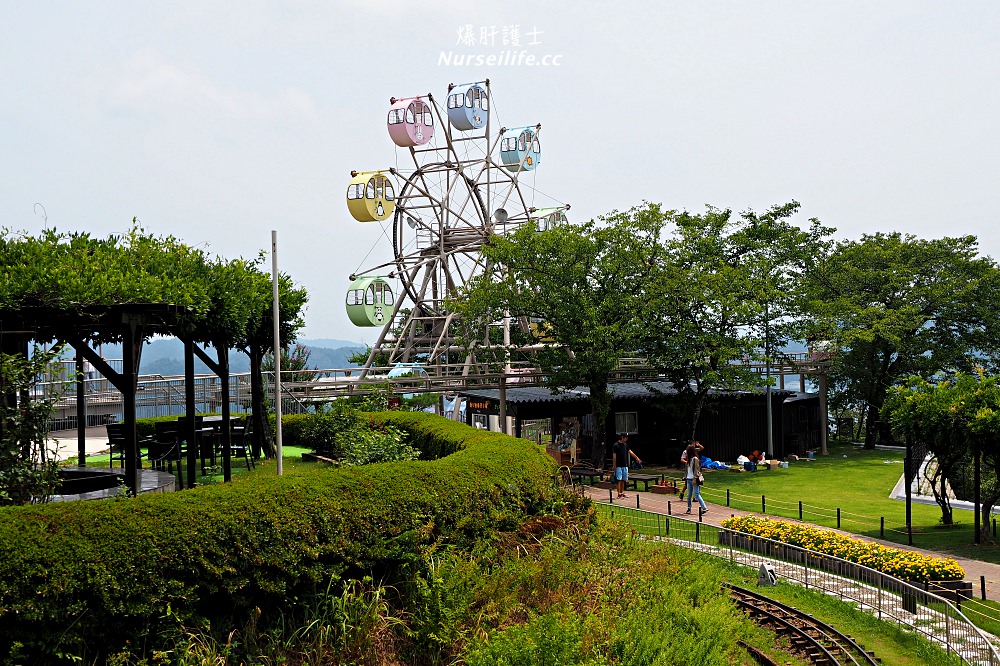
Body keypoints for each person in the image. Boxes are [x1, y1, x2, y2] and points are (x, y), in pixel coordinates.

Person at [612, 433, 641, 500]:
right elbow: (614, 456)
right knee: (619, 479)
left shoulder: (625, 445)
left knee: (623, 480)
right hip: (618, 465)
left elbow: (630, 452)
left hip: (625, 465)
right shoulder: (616, 445)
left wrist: (637, 458)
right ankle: (619, 493)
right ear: (622, 437)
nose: (626, 439)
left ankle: (622, 493)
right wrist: (614, 465)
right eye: (626, 437)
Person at [685, 442, 708, 515]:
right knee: (689, 495)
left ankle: (704, 507)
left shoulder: (695, 459)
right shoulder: (689, 459)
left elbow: (696, 470)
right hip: (688, 478)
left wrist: (695, 478)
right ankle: (689, 508)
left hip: (693, 479)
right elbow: (688, 469)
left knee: (696, 494)